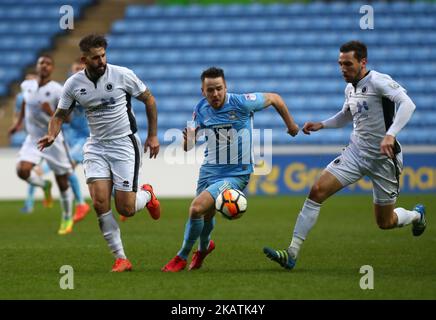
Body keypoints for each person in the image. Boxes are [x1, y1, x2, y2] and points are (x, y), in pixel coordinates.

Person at [263, 40, 427, 270]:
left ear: (363, 62)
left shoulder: (379, 81)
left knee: (385, 222)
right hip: (355, 154)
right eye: (340, 64)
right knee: (316, 191)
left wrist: (390, 135)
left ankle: (416, 216)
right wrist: (322, 124)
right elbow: (346, 115)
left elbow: (408, 105)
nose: (343, 69)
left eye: (348, 64)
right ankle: (291, 252)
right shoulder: (350, 88)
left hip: (384, 159)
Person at [37, 34, 161, 272]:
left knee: (126, 208)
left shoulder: (122, 75)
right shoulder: (74, 84)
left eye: (103, 55)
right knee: (99, 202)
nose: (101, 61)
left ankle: (147, 194)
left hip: (124, 144)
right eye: (96, 58)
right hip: (96, 146)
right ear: (84, 59)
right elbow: (60, 115)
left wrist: (153, 135)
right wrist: (52, 134)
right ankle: (121, 258)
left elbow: (149, 100)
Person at [161, 67, 300, 272]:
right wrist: (188, 140)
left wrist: (291, 125)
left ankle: (181, 256)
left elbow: (275, 98)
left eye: (219, 88)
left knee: (196, 208)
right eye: (210, 90)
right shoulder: (200, 108)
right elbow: (188, 146)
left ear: (226, 87)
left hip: (236, 173)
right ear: (203, 91)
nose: (215, 94)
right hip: (209, 170)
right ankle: (204, 248)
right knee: (206, 215)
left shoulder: (241, 102)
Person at [8, 54, 75, 234]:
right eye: (41, 63)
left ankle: (67, 217)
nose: (44, 66)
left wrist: (51, 111)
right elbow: (24, 104)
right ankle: (44, 186)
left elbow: (67, 119)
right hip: (33, 139)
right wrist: (17, 123)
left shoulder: (57, 90)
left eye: (48, 63)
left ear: (52, 68)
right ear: (37, 66)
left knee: (62, 181)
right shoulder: (26, 85)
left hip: (52, 139)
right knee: (22, 170)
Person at [61, 59, 91, 222]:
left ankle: (80, 204)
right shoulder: (69, 89)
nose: (78, 71)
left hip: (88, 137)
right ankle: (124, 197)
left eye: (81, 68)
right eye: (75, 68)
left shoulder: (92, 88)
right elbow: (66, 119)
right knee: (98, 175)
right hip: (74, 137)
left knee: (66, 168)